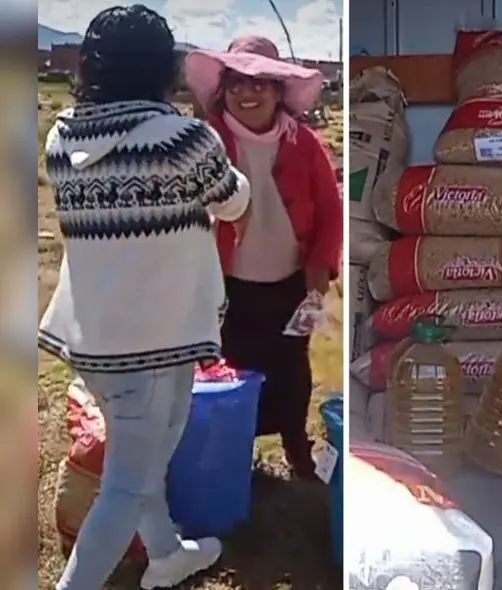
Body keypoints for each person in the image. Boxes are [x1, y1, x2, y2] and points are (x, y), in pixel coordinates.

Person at [38, 5, 252, 590]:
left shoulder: (61, 136)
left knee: (143, 461)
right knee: (127, 485)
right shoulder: (184, 137)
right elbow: (234, 201)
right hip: (158, 343)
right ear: (165, 65)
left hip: (93, 339)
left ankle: (166, 555)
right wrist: (207, 134)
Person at [184, 36, 342, 478]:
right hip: (227, 284)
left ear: (278, 92)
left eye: (259, 84)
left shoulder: (304, 143)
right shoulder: (206, 142)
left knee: (291, 369)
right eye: (236, 84)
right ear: (223, 91)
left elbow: (330, 210)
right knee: (230, 368)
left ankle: (296, 447)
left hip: (291, 281)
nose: (247, 94)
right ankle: (235, 456)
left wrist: (320, 270)